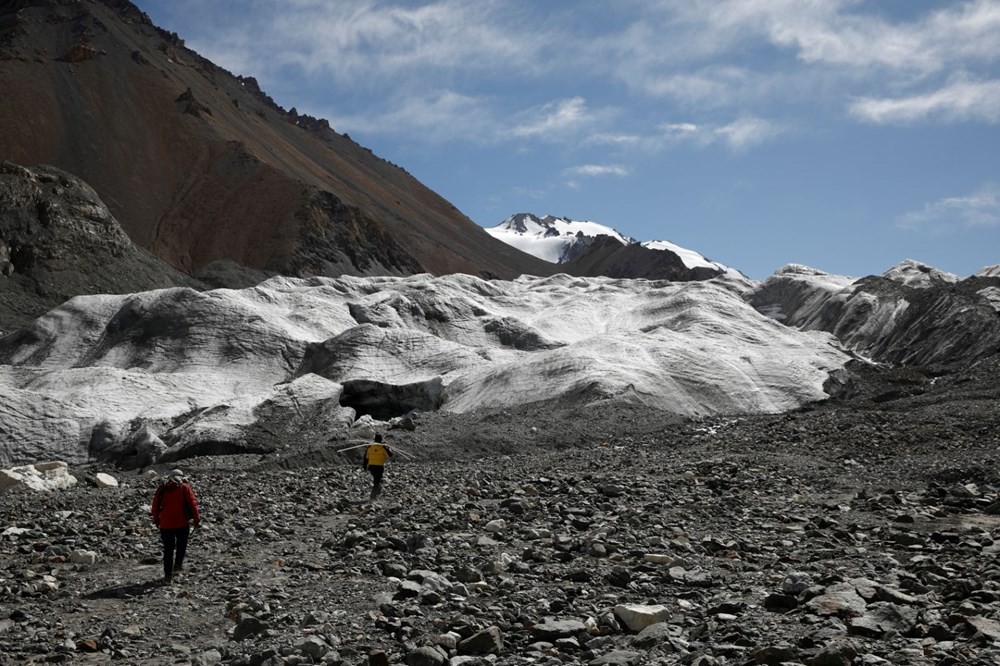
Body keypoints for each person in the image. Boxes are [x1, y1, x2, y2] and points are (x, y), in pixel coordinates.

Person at [151, 469, 200, 583]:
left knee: (168, 550)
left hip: (165, 524)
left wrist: (157, 520)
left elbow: (155, 505)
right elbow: (193, 503)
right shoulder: (184, 487)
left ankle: (167, 575)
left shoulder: (162, 488)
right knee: (181, 546)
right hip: (182, 523)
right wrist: (197, 519)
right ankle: (177, 566)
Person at [362, 433, 392, 500]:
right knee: (377, 481)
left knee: (376, 480)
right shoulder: (383, 447)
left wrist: (364, 465)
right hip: (379, 467)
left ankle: (377, 490)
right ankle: (373, 496)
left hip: (371, 466)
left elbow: (366, 457)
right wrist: (387, 448)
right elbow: (390, 455)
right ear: (381, 440)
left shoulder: (370, 447)